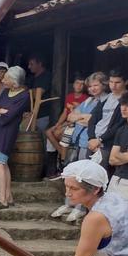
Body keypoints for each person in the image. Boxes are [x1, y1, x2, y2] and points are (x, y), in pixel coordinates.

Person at [52, 72, 108, 222]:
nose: (93, 88)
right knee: (71, 175)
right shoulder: (89, 100)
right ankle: (69, 204)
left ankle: (80, 207)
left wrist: (82, 117)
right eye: (90, 86)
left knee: (83, 178)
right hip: (77, 140)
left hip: (89, 142)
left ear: (104, 85)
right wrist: (82, 118)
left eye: (96, 85)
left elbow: (95, 120)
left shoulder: (106, 101)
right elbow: (71, 116)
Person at [0, 66, 30, 209]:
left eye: (6, 79)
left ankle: (2, 199)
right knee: (3, 163)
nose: (3, 80)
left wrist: (2, 111)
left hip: (8, 131)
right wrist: (0, 111)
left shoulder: (24, 95)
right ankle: (9, 197)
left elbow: (11, 115)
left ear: (14, 81)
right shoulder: (5, 92)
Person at [88, 70, 128, 174]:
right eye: (111, 82)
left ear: (126, 82)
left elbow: (120, 125)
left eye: (117, 82)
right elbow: (92, 120)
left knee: (101, 175)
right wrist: (91, 137)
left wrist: (101, 139)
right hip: (94, 141)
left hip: (108, 143)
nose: (113, 86)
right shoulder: (106, 98)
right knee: (88, 173)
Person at [47, 74, 88, 163]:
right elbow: (65, 112)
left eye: (82, 84)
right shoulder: (69, 96)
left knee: (58, 133)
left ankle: (63, 158)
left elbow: (84, 116)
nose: (79, 86)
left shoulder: (85, 98)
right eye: (77, 83)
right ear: (73, 84)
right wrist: (58, 123)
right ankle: (62, 154)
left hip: (75, 124)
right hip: (66, 122)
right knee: (49, 132)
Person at [27, 55, 56, 177]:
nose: (29, 67)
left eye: (32, 64)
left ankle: (43, 171)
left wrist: (25, 92)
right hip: (33, 115)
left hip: (43, 114)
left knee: (42, 144)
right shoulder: (34, 78)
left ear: (40, 64)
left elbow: (37, 93)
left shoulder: (46, 76)